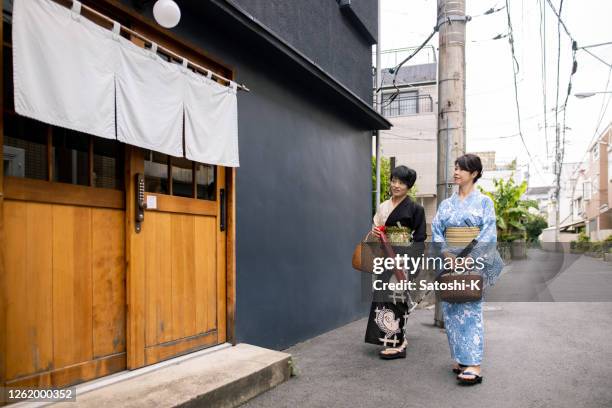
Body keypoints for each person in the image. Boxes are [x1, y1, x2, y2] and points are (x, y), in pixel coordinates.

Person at [431, 153, 504, 385]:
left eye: (462, 169)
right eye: (455, 167)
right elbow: (436, 230)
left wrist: (469, 258)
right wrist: (445, 253)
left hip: (472, 262)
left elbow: (488, 233)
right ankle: (460, 359)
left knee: (471, 309)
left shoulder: (484, 202)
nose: (456, 172)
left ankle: (474, 363)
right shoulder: (445, 204)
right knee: (451, 309)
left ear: (474, 173)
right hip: (449, 260)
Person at [365, 165, 427, 359]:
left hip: (403, 258)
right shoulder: (383, 207)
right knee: (383, 296)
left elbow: (420, 238)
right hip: (385, 256)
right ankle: (388, 337)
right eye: (394, 181)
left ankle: (399, 342)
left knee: (397, 298)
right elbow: (375, 230)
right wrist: (375, 233)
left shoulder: (416, 209)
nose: (396, 185)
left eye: (401, 182)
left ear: (408, 186)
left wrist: (413, 264)